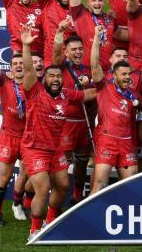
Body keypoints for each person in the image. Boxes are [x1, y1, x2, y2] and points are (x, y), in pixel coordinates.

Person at [18, 27, 96, 240]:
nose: (54, 79)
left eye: (58, 76)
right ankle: (35, 231)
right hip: (34, 148)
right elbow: (27, 70)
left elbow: (87, 94)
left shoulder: (65, 94)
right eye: (50, 76)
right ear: (44, 78)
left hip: (55, 149)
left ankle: (50, 220)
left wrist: (110, 87)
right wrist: (26, 46)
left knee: (62, 185)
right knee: (43, 189)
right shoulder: (35, 91)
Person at [89, 27, 142, 194]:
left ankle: (125, 218)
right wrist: (96, 37)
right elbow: (94, 63)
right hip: (107, 139)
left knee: (131, 187)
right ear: (114, 75)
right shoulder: (104, 85)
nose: (127, 77)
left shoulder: (134, 95)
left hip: (126, 143)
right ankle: (92, 218)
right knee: (100, 185)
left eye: (129, 74)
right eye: (123, 74)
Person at [0, 29, 29, 226]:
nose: (18, 66)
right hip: (9, 136)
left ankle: (18, 203)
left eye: (21, 63)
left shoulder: (34, 85)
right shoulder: (4, 83)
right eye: (15, 64)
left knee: (28, 174)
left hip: (28, 137)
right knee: (5, 176)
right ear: (10, 68)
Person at [51, 20, 94, 205]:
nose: (77, 52)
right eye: (73, 49)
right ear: (66, 52)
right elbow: (55, 55)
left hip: (84, 123)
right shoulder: (60, 67)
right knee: (63, 163)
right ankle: (55, 197)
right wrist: (60, 32)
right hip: (66, 123)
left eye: (80, 49)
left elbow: (96, 92)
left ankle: (77, 195)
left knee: (82, 162)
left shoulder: (89, 70)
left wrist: (80, 93)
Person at [68, 0, 126, 71]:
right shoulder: (79, 14)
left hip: (107, 71)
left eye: (100, 0)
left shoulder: (110, 19)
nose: (97, 3)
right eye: (93, 0)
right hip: (85, 69)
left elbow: (119, 36)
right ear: (88, 2)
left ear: (104, 2)